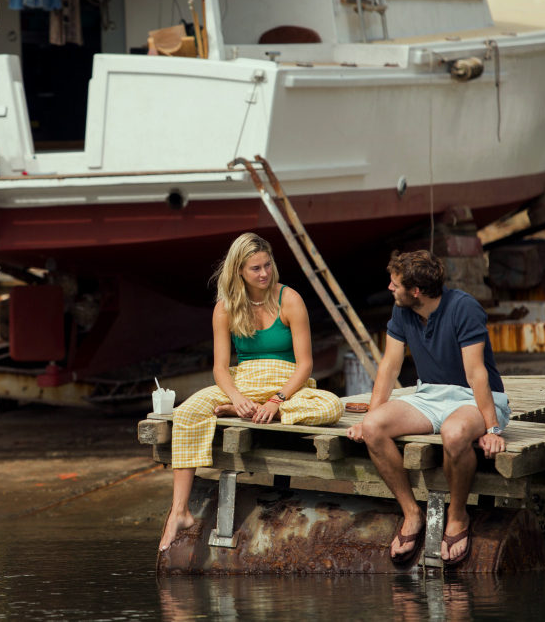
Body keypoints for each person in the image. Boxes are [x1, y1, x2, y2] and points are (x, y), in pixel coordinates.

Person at [158, 233, 343, 552]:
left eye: (268, 265)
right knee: (186, 412)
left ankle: (256, 410)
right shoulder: (226, 308)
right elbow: (219, 369)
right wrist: (236, 398)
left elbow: (305, 365)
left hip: (286, 384)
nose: (264, 274)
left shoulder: (289, 299)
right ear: (239, 271)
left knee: (331, 407)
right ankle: (180, 511)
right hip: (241, 382)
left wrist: (277, 400)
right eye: (255, 268)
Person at [345, 250, 510, 566]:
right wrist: (367, 418)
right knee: (373, 427)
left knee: (454, 432)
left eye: (396, 284)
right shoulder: (402, 312)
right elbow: (390, 367)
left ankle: (458, 515)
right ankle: (411, 513)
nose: (391, 288)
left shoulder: (464, 308)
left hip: (473, 400)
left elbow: (476, 373)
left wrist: (492, 429)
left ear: (416, 291)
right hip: (429, 396)